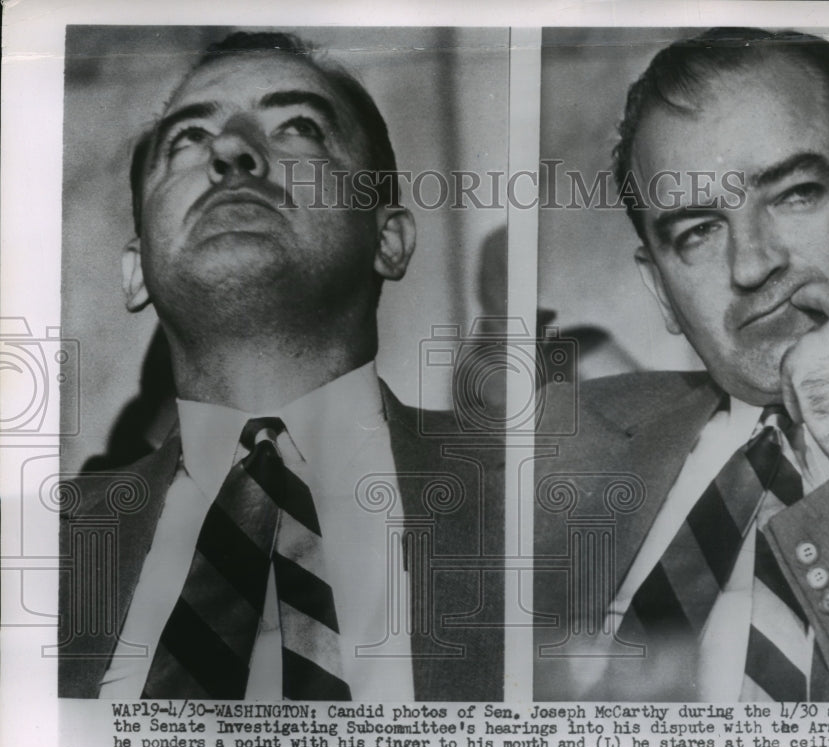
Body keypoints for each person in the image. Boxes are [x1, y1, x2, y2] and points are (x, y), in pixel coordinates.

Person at [58, 31, 503, 701]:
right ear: (134, 271)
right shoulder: (34, 550)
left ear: (388, 239)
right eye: (185, 140)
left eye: (298, 126)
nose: (232, 149)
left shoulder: (538, 497)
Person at [534, 27, 829, 702]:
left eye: (795, 194)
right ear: (659, 288)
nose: (753, 265)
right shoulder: (550, 441)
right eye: (697, 231)